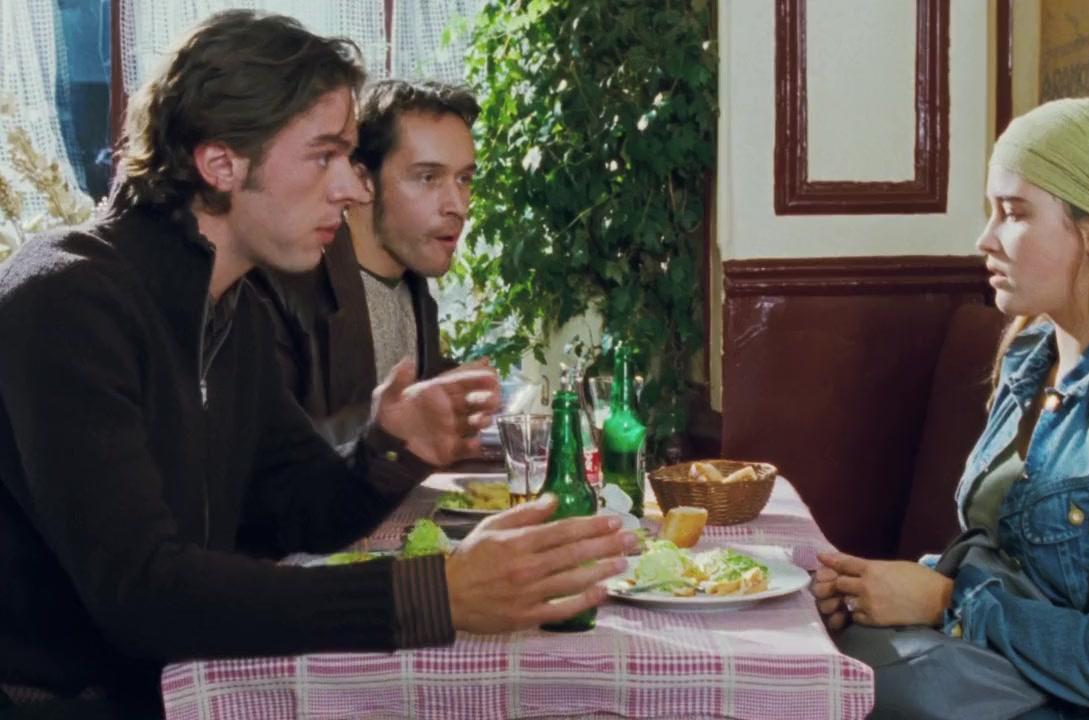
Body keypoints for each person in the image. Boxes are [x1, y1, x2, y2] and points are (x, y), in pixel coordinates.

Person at [0, 11, 631, 718]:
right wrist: (437, 594)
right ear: (220, 163)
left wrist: (393, 449)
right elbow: (143, 593)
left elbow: (300, 511)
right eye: (325, 156)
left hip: (186, 692)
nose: (353, 190)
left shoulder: (229, 310)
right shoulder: (66, 300)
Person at [811, 97, 1089, 718]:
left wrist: (946, 601)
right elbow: (1014, 566)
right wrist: (876, 589)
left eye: (1014, 213)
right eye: (990, 210)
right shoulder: (1028, 354)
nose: (985, 238)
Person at [250, 79, 479, 447]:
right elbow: (266, 455)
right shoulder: (279, 288)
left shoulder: (416, 288)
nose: (457, 205)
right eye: (428, 178)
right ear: (363, 181)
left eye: (464, 178)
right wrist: (389, 425)